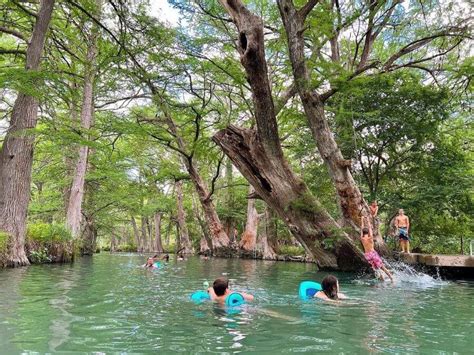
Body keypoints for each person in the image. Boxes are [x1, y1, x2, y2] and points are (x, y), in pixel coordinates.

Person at [360, 216, 394, 282]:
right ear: (368, 233)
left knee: (376, 268)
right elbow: (370, 228)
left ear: (363, 233)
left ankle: (382, 279)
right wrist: (368, 220)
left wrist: (362, 220)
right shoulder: (370, 238)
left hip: (367, 255)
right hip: (372, 254)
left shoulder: (362, 239)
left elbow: (361, 228)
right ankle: (391, 279)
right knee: (382, 267)